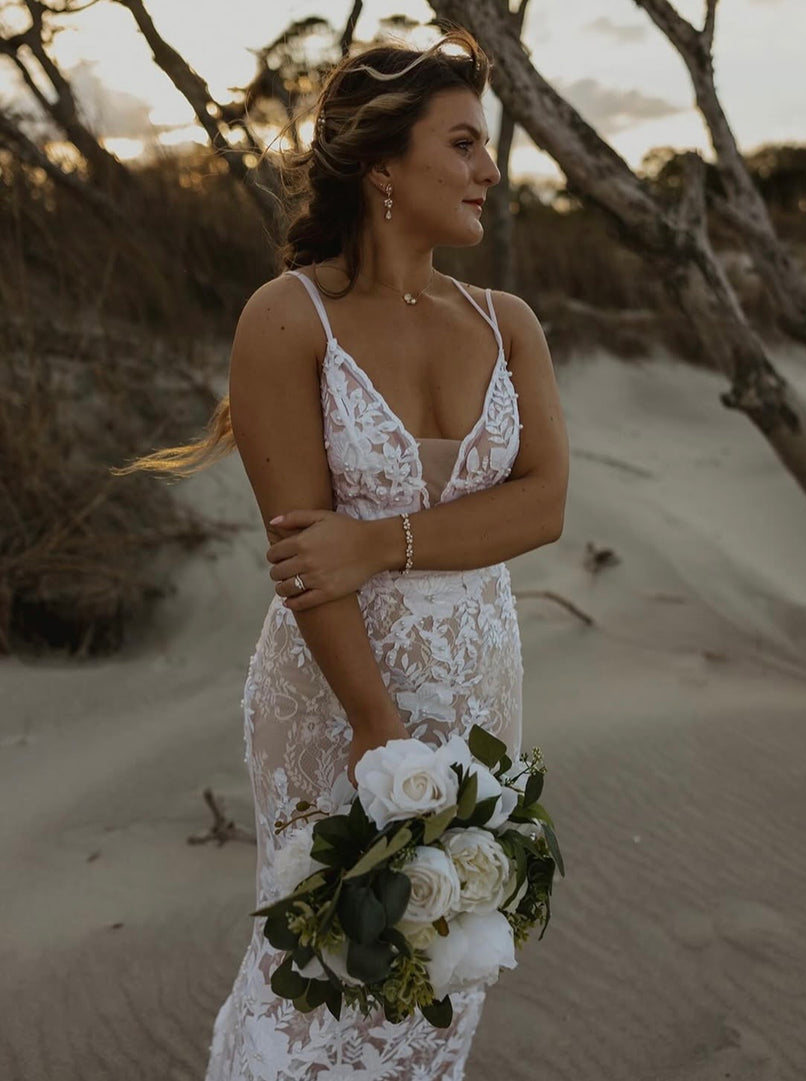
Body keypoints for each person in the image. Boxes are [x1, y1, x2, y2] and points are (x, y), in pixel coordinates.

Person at [119, 25, 568, 1081]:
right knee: (321, 958)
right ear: (381, 168)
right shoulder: (290, 320)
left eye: (486, 146)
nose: (489, 170)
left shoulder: (510, 325)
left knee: (445, 959)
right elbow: (306, 563)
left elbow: (542, 505)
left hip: (481, 681)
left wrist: (380, 540)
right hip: (337, 693)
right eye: (462, 144)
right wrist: (383, 743)